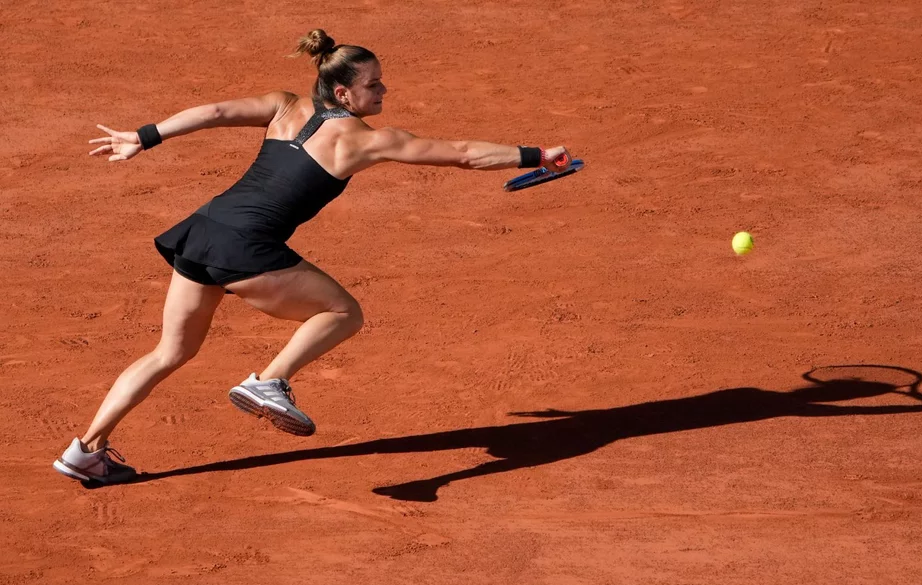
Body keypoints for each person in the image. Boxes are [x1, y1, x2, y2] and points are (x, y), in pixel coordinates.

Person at [53, 29, 570, 485]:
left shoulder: (283, 105)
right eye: (374, 84)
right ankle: (267, 382)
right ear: (343, 91)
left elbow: (213, 113)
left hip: (203, 229)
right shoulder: (366, 142)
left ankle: (87, 450)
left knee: (170, 352)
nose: (384, 90)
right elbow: (461, 153)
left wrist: (145, 137)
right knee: (343, 312)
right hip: (246, 246)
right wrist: (536, 155)